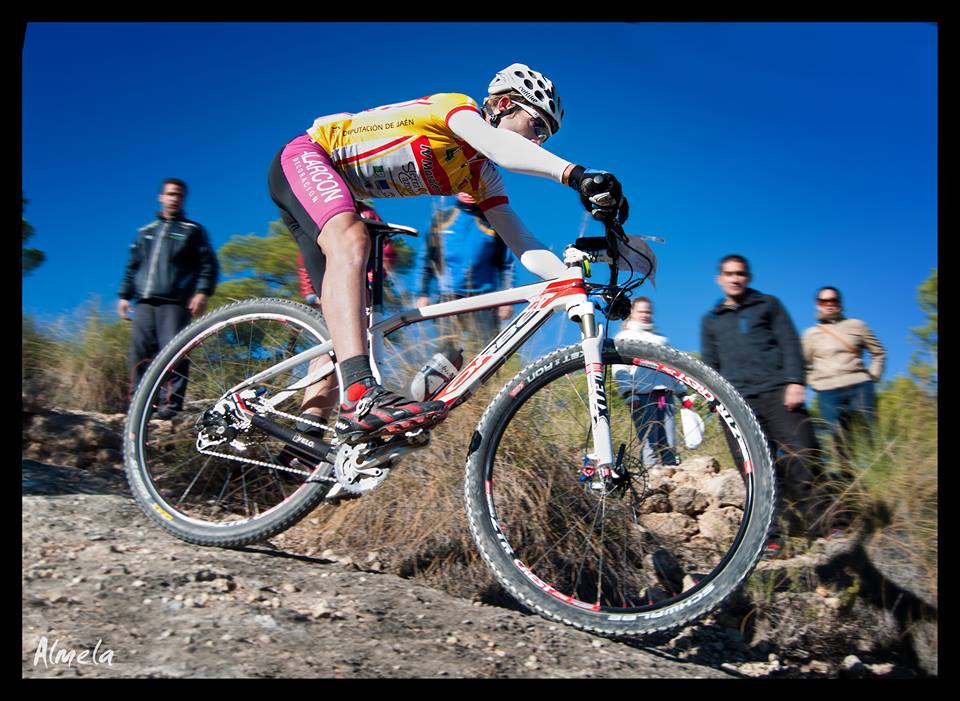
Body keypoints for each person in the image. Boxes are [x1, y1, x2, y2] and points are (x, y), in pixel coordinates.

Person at [267, 63, 628, 444]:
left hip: (340, 190)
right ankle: (359, 396)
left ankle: (303, 443)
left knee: (344, 322)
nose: (538, 142)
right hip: (309, 155)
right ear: (504, 104)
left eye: (546, 136)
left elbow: (523, 246)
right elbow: (502, 147)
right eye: (537, 126)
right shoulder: (457, 109)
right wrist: (576, 175)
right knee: (351, 240)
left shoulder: (481, 177)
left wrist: (576, 284)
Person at [700, 255, 827, 549]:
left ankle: (828, 524)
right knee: (755, 470)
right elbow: (710, 364)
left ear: (748, 277)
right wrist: (716, 402)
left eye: (740, 273)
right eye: (729, 274)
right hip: (737, 403)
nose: (735, 278)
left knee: (805, 454)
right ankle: (771, 537)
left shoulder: (769, 305)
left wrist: (796, 380)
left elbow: (789, 343)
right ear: (720, 279)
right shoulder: (711, 320)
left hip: (778, 394)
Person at [118, 178, 219, 417]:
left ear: (183, 199)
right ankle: (138, 408)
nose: (174, 198)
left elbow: (207, 264)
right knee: (139, 355)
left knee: (174, 353)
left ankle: (169, 407)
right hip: (144, 302)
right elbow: (132, 266)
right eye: (170, 194)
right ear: (161, 197)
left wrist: (202, 292)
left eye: (179, 195)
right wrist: (124, 296)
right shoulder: (145, 232)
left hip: (176, 302)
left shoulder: (192, 230)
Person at [416, 192, 515, 346]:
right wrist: (422, 293)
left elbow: (507, 263)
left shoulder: (493, 222)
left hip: (485, 301)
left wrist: (508, 300)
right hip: (448, 298)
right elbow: (427, 258)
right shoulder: (442, 218)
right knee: (446, 356)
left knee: (488, 355)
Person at [802, 286, 885, 453]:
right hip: (827, 393)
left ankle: (880, 472)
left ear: (840, 303)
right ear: (818, 304)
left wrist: (872, 377)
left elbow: (878, 352)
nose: (829, 304)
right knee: (840, 438)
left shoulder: (857, 325)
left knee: (870, 433)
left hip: (859, 386)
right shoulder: (810, 334)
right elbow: (804, 365)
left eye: (833, 300)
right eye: (824, 301)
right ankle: (848, 476)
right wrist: (815, 384)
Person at [613, 297, 691, 467]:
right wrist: (628, 393)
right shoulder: (624, 338)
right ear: (632, 312)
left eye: (648, 311)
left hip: (666, 397)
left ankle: (671, 473)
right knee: (649, 438)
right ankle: (651, 475)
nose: (644, 315)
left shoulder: (661, 339)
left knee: (669, 440)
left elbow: (673, 369)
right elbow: (620, 369)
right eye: (641, 311)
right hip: (641, 397)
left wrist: (682, 393)